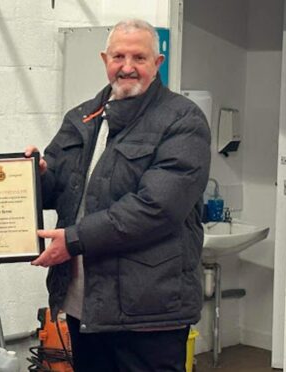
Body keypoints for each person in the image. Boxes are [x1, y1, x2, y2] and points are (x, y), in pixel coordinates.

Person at [25, 19, 211, 371]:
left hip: (150, 314)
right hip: (88, 307)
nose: (127, 67)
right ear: (104, 59)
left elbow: (156, 208)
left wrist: (74, 239)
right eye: (118, 56)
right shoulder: (82, 118)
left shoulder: (183, 120)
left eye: (139, 57)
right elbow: (59, 192)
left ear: (157, 63)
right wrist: (35, 176)